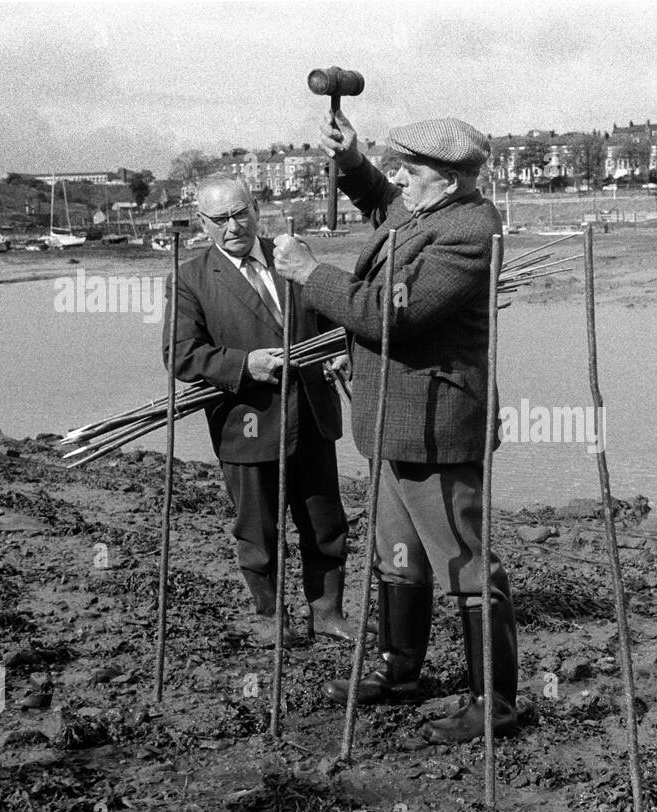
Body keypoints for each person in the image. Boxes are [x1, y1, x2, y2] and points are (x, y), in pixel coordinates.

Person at [273, 113, 518, 744]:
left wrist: (310, 274)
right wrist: (353, 161)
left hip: (436, 426)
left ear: (449, 179)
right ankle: (399, 670)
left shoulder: (469, 231)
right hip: (391, 423)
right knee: (396, 554)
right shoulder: (427, 208)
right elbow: (386, 203)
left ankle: (494, 702)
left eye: (412, 170)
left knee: (464, 560)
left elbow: (389, 315)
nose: (401, 180)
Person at [164, 175, 349, 646]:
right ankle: (272, 621)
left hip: (311, 414)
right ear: (203, 223)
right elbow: (181, 354)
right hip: (246, 423)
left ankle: (327, 614)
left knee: (325, 525)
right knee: (258, 533)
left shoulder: (292, 256)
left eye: (241, 213)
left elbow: (329, 315)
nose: (233, 227)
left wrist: (341, 351)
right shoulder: (190, 278)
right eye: (220, 219)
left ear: (257, 209)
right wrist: (244, 364)